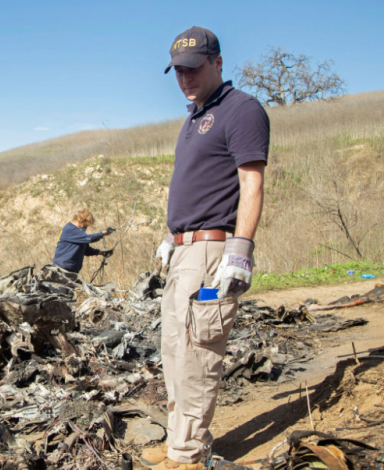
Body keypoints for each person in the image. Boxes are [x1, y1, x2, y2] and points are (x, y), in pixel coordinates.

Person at [140, 27, 269, 470]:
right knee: (175, 353)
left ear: (217, 62)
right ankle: (182, 440)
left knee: (197, 354)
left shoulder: (241, 110)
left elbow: (251, 183)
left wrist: (241, 248)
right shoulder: (194, 117)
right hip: (182, 252)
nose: (185, 78)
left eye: (194, 68)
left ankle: (187, 456)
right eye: (178, 71)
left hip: (213, 253)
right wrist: (172, 234)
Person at [51, 209, 113, 276]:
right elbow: (89, 238)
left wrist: (102, 253)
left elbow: (86, 250)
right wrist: (103, 233)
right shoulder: (69, 230)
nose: (85, 228)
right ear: (80, 221)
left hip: (72, 271)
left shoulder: (79, 234)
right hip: (61, 269)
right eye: (85, 226)